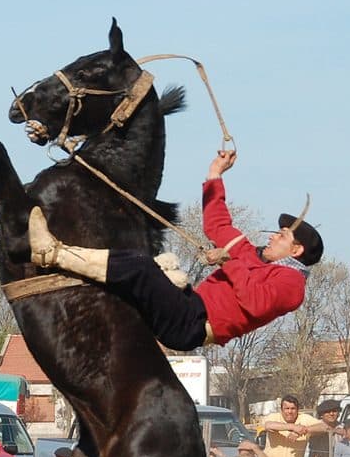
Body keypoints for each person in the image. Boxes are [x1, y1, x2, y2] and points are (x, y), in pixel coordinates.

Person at [25, 150, 324, 351]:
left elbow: (255, 303)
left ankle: (53, 254)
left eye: (281, 236)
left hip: (193, 325)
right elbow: (217, 224)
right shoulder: (249, 253)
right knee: (152, 260)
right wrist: (215, 173)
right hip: (188, 304)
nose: (272, 237)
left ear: (296, 251)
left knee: (141, 268)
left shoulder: (292, 285)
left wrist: (229, 260)